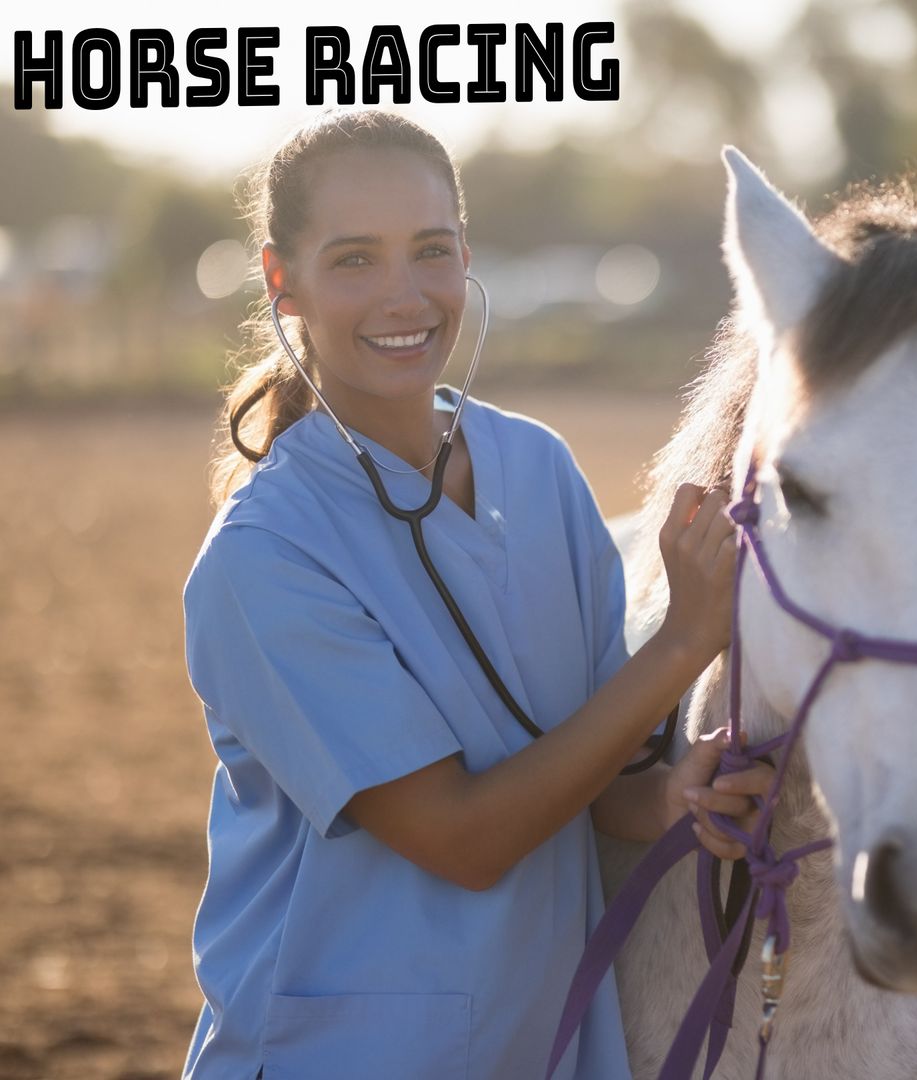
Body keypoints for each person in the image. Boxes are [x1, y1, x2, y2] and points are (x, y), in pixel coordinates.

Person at [182, 109, 773, 1080]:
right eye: (355, 260)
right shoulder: (262, 560)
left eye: (430, 250)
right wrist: (683, 646)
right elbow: (465, 837)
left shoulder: (537, 469)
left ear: (467, 253)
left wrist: (669, 794)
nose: (404, 294)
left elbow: (586, 777)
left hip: (536, 1047)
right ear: (281, 283)